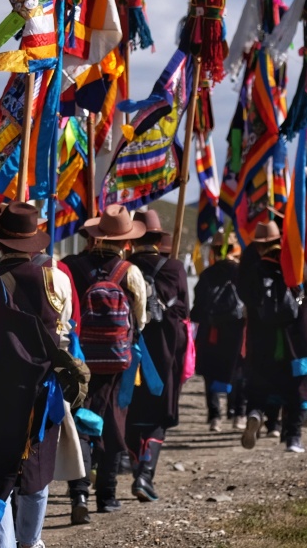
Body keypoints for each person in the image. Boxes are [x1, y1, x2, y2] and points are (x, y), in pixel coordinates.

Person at [0, 202, 87, 548]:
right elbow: (64, 332)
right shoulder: (57, 279)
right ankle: (30, 542)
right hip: (41, 394)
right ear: (35, 242)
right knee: (35, 473)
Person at [60, 205, 149, 522]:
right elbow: (140, 319)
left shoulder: (69, 266)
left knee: (81, 422)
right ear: (125, 241)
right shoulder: (129, 271)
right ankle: (107, 496)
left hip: (77, 360)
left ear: (96, 237)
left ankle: (78, 494)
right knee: (113, 422)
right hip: (116, 361)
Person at [124, 210, 189, 503]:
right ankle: (145, 474)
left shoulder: (123, 267)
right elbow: (184, 310)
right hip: (165, 349)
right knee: (158, 413)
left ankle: (136, 464)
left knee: (130, 410)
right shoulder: (174, 268)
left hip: (130, 347)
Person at [237, 220, 307, 453]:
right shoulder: (293, 264)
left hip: (261, 338)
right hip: (292, 340)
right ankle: (293, 438)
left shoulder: (251, 268)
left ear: (258, 244)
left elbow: (244, 296)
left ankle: (255, 414)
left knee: (259, 384)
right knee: (294, 388)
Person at [191, 230, 246, 432]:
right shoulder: (243, 272)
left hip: (211, 331)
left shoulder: (207, 274)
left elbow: (197, 309)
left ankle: (215, 416)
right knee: (238, 371)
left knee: (210, 372)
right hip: (238, 331)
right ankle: (238, 413)